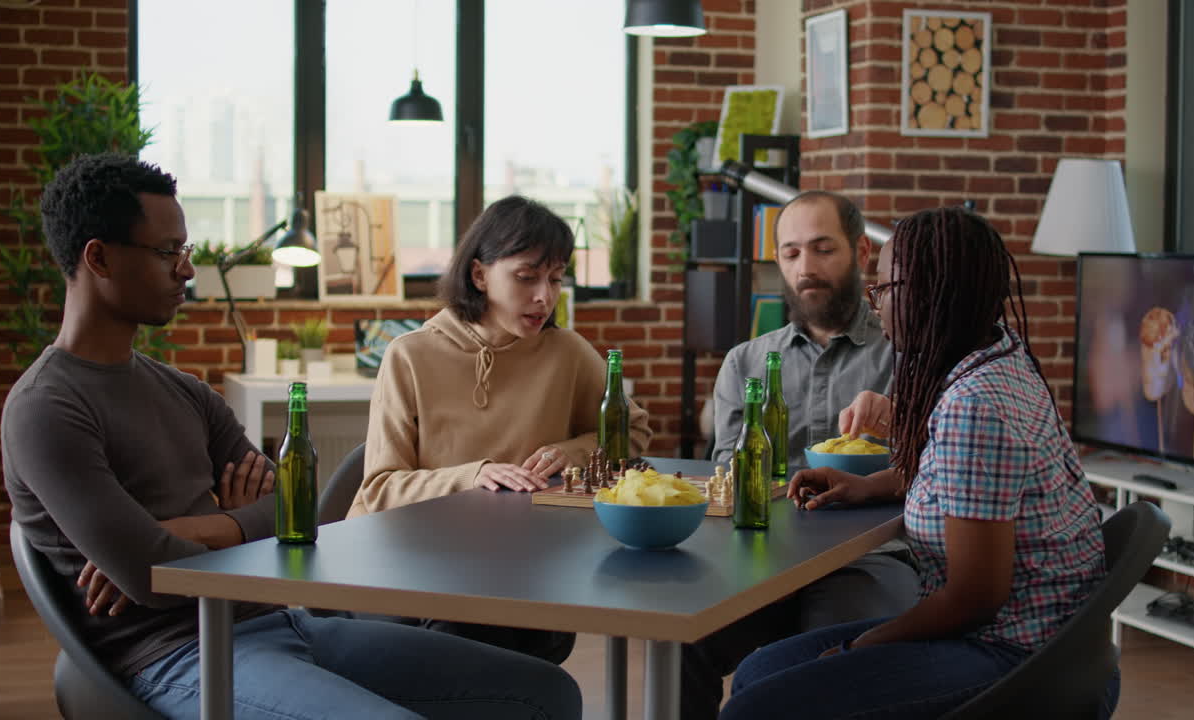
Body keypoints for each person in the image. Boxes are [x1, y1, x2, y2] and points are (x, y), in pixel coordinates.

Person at [2, 153, 583, 720]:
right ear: (98, 258)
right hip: (180, 655)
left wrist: (199, 528)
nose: (186, 269)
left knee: (548, 694)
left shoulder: (184, 391)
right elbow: (153, 577)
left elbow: (291, 508)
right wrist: (224, 533)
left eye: (186, 251)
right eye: (166, 252)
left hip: (281, 622)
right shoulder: (46, 409)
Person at [720, 206, 1111, 719]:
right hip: (1028, 637)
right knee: (755, 673)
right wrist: (872, 485)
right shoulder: (996, 354)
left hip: (1018, 655)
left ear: (930, 293)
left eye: (883, 290)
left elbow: (974, 597)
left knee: (757, 708)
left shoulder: (977, 404)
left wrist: (860, 650)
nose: (875, 304)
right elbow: (963, 479)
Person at [347, 194, 652, 663]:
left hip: (515, 570)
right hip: (404, 566)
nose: (544, 297)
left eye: (555, 279)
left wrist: (571, 452)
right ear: (479, 274)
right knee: (469, 634)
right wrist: (474, 475)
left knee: (511, 635)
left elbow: (630, 434)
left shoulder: (567, 352)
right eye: (526, 277)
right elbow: (381, 488)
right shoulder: (410, 356)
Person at [686, 191, 919, 719]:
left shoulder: (907, 352)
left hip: (869, 562)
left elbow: (942, 467)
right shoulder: (746, 361)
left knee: (829, 668)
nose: (806, 268)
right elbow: (728, 474)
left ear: (861, 253)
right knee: (681, 637)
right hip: (758, 564)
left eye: (821, 249)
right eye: (791, 254)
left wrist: (900, 416)